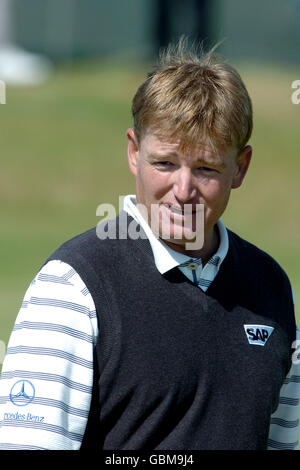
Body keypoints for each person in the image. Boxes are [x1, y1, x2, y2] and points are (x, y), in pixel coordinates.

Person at [0, 39, 299, 451]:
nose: (182, 189)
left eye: (206, 168)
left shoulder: (273, 288)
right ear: (133, 151)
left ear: (240, 167)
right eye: (165, 163)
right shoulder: (71, 287)